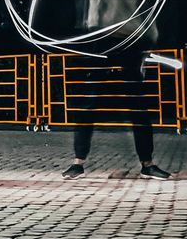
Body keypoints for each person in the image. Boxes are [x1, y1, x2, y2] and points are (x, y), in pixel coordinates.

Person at [62, 51, 171, 179]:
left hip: (127, 68)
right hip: (100, 69)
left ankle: (147, 164)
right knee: (86, 113)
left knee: (140, 113)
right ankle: (78, 163)